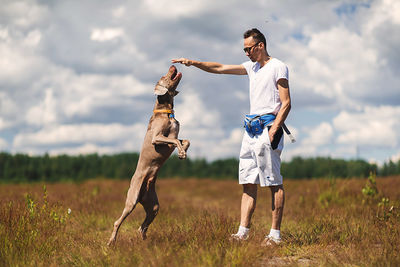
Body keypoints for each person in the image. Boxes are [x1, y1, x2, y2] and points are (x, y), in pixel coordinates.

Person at [172, 28, 291, 246]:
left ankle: (275, 235)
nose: (246, 53)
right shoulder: (251, 67)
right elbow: (218, 68)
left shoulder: (278, 66)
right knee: (247, 182)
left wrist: (274, 129)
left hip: (268, 129)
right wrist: (193, 62)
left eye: (249, 49)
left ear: (260, 45)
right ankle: (242, 232)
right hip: (250, 130)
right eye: (244, 49)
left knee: (273, 182)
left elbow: (286, 103)